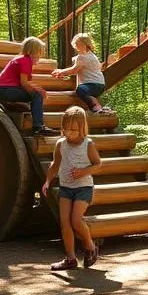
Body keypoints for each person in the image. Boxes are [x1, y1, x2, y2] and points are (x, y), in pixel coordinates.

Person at [41, 106, 101, 270]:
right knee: (65, 223)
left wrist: (83, 171)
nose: (68, 132)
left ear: (82, 128)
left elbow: (98, 165)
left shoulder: (88, 144)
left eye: (73, 129)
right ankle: (70, 259)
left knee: (76, 220)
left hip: (83, 187)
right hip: (66, 187)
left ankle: (90, 246)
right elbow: (55, 165)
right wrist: (47, 181)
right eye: (65, 128)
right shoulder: (61, 144)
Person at [0, 36, 56, 136]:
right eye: (39, 53)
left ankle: (37, 124)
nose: (40, 56)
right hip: (6, 91)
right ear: (34, 52)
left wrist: (38, 89)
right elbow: (24, 83)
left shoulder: (22, 60)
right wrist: (40, 92)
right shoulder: (26, 61)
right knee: (37, 95)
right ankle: (38, 127)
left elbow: (25, 83)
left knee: (36, 94)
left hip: (4, 90)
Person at [51, 33, 107, 113]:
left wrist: (60, 71)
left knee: (80, 90)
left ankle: (95, 104)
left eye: (78, 44)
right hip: (100, 84)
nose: (76, 46)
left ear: (85, 44)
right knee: (83, 91)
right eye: (76, 44)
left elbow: (74, 70)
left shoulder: (83, 57)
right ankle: (94, 105)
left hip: (92, 84)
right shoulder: (91, 55)